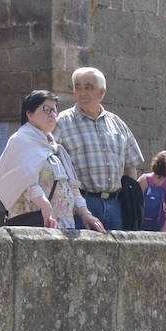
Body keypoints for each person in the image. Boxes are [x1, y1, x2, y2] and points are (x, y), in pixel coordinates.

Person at [0, 90, 106, 231]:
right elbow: (25, 180)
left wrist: (85, 214)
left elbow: (72, 187)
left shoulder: (54, 148)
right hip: (36, 223)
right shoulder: (20, 140)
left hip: (64, 225)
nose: (52, 114)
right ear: (29, 114)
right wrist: (45, 206)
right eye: (46, 109)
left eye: (54, 110)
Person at [53, 67, 143, 230]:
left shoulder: (117, 124)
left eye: (88, 87)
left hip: (116, 204)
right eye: (78, 87)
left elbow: (130, 164)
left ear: (101, 92)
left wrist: (129, 198)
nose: (82, 92)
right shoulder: (62, 123)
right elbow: (50, 162)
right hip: (80, 204)